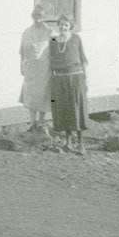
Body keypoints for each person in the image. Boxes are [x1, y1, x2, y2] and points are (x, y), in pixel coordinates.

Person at [47, 13, 88, 154]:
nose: (63, 27)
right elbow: (49, 61)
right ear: (58, 25)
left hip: (75, 78)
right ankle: (68, 143)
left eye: (66, 25)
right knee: (64, 110)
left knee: (77, 110)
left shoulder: (76, 39)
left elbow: (82, 60)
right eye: (61, 24)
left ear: (70, 26)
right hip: (59, 79)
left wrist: (85, 79)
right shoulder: (53, 40)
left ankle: (81, 144)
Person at [19, 3, 54, 133]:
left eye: (41, 16)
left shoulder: (50, 32)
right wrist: (21, 66)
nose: (38, 19)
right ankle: (32, 121)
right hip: (30, 66)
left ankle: (42, 121)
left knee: (43, 93)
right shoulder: (27, 32)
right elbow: (22, 50)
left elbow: (55, 49)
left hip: (44, 67)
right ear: (32, 16)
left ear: (45, 17)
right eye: (36, 16)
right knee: (31, 93)